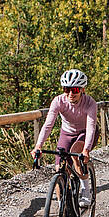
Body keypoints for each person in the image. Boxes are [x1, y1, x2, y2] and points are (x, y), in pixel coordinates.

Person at [32, 69, 98, 207]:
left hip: (85, 132)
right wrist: (38, 146)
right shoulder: (58, 101)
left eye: (74, 89)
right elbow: (48, 125)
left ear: (82, 89)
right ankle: (62, 207)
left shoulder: (90, 103)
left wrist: (86, 150)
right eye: (67, 89)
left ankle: (86, 190)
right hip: (67, 133)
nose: (70, 94)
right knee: (59, 168)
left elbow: (91, 127)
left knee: (76, 155)